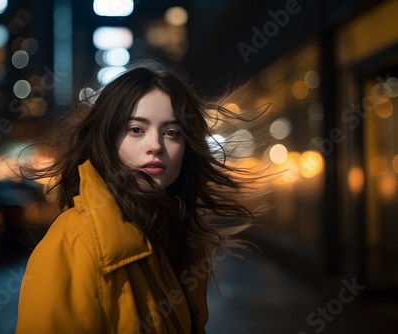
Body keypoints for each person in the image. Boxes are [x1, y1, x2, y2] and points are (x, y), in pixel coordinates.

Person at [15, 62, 257, 333]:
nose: (155, 145)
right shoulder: (73, 240)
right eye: (136, 130)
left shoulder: (174, 238)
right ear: (107, 140)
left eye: (171, 132)